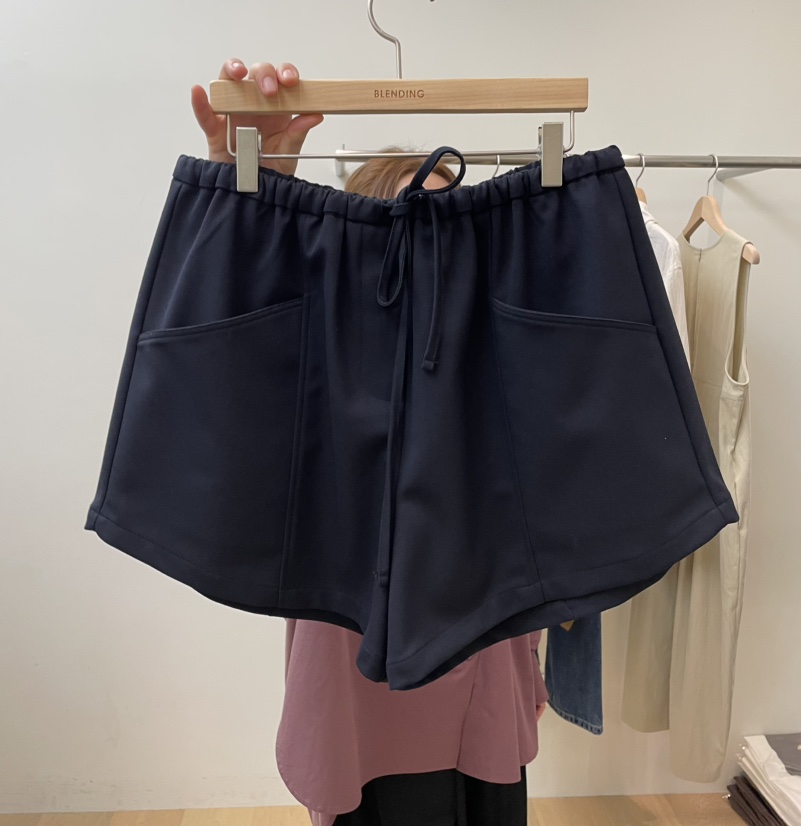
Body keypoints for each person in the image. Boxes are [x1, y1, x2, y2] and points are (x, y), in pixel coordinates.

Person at [191, 59, 549, 825]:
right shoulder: (314, 373)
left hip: (483, 682)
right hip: (355, 699)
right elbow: (227, 371)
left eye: (447, 231)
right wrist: (251, 189)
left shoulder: (498, 364)